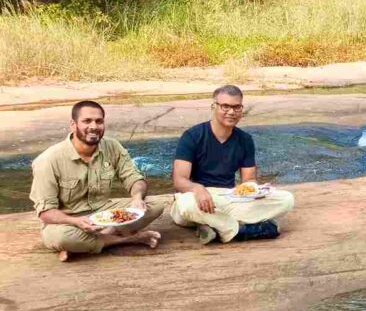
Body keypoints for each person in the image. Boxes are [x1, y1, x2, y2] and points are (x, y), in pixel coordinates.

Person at [30, 101, 163, 262]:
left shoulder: (112, 146)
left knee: (155, 206)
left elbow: (133, 178)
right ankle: (127, 239)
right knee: (61, 238)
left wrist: (137, 197)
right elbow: (46, 213)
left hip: (103, 213)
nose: (94, 126)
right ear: (73, 125)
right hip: (67, 221)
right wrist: (76, 221)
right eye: (87, 121)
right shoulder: (48, 160)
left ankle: (86, 244)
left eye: (99, 121)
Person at [170, 85, 294, 244]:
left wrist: (257, 190)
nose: (231, 112)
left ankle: (214, 226)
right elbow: (179, 180)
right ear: (214, 106)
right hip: (196, 197)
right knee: (185, 205)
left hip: (228, 197)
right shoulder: (192, 136)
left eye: (236, 107)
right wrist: (197, 188)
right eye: (225, 106)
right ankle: (237, 230)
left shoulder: (245, 140)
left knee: (286, 199)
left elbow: (248, 180)